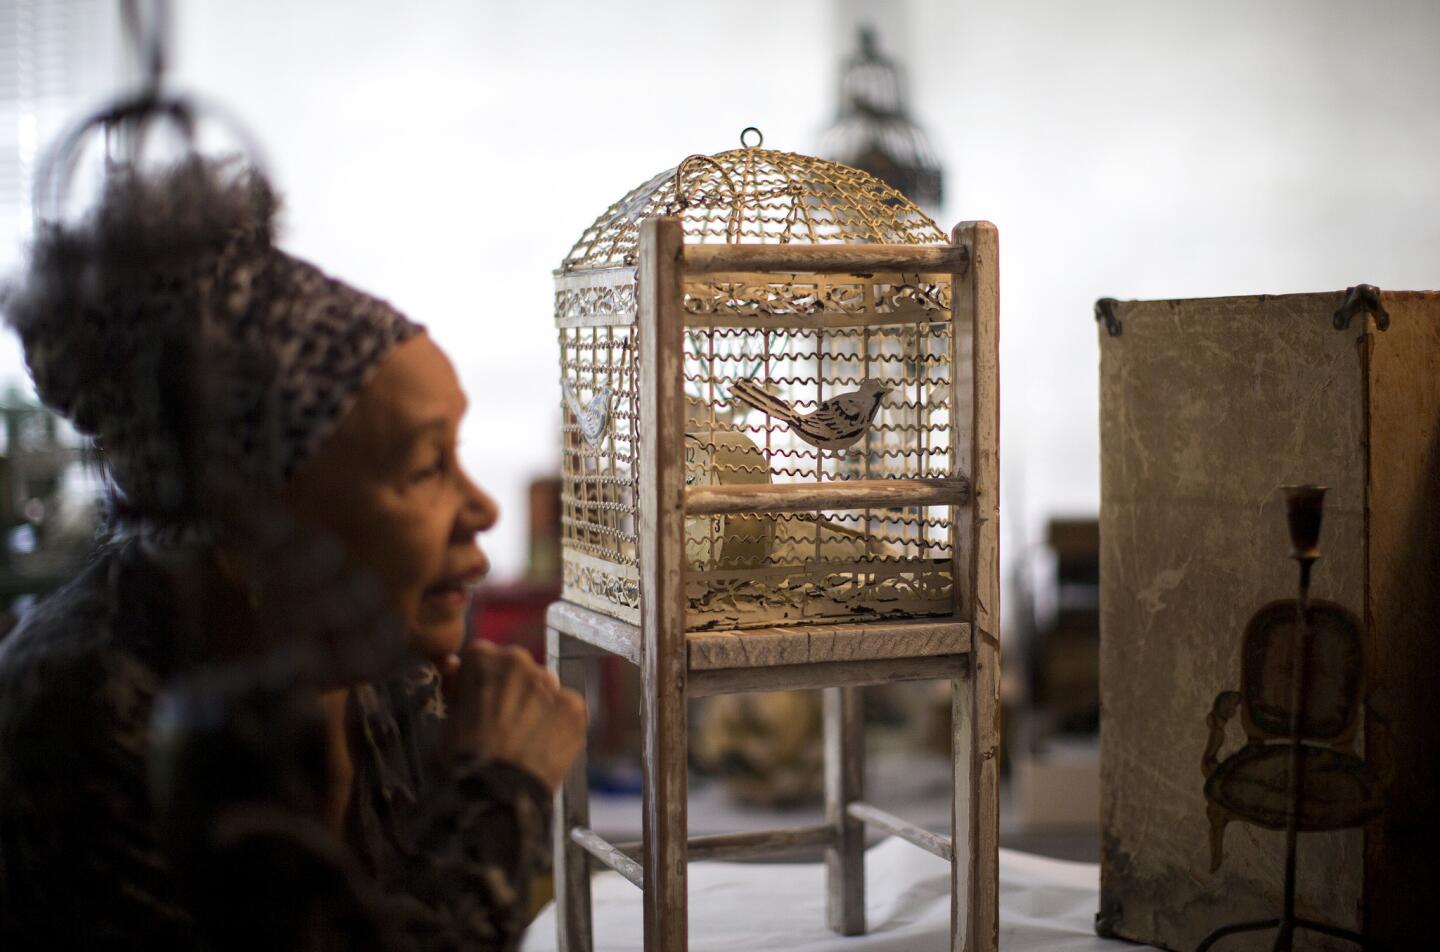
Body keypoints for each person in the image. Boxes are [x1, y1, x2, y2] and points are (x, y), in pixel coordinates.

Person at [0, 158, 585, 950]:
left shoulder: (377, 666)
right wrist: (496, 791)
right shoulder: (79, 716)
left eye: (458, 453)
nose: (480, 506)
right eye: (423, 466)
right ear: (245, 530)